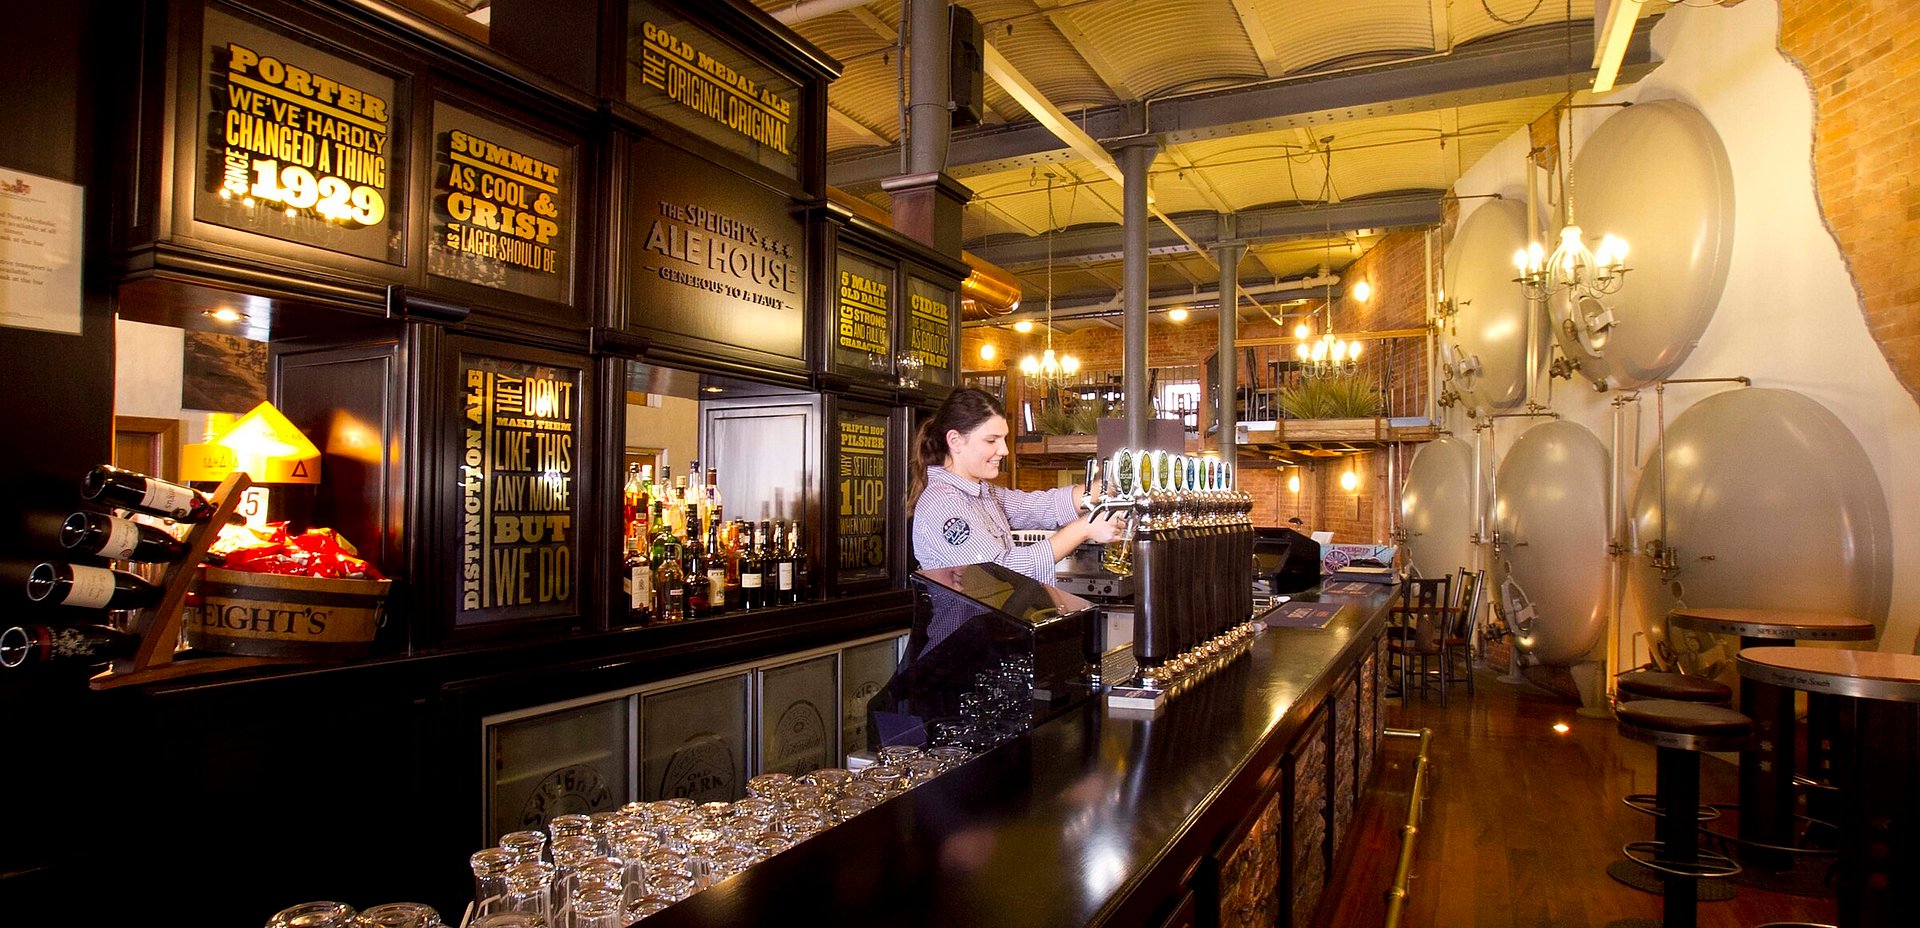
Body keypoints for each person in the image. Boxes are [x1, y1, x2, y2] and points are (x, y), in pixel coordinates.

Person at [909, 388, 1123, 585]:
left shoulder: (982, 492)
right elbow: (999, 572)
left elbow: (1037, 506)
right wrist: (1084, 528)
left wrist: (1105, 488)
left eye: (1003, 439)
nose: (1004, 450)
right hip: (971, 617)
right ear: (955, 441)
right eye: (991, 440)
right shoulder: (943, 504)